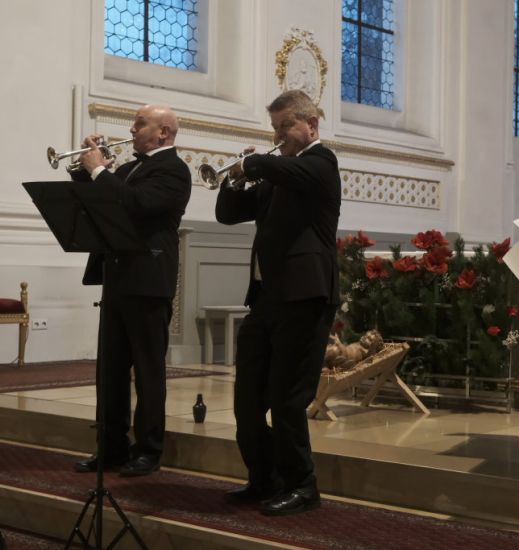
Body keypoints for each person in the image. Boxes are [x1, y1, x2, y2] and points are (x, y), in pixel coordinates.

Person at [215, 90, 340, 515]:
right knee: (247, 399)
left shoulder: (321, 164)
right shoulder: (277, 176)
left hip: (305, 297)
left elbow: (291, 172)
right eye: (274, 128)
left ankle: (303, 486)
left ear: (312, 125)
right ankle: (263, 478)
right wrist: (234, 179)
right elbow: (228, 214)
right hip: (267, 299)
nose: (278, 135)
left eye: (285, 126)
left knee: (288, 399)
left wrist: (252, 164)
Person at [72, 104, 192, 477]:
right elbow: (96, 199)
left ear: (163, 132)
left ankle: (148, 450)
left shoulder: (174, 170)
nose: (132, 129)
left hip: (149, 280)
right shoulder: (128, 169)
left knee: (147, 370)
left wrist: (100, 171)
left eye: (140, 124)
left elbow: (136, 204)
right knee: (109, 370)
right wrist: (85, 165)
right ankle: (111, 447)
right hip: (118, 276)